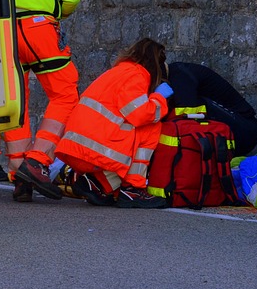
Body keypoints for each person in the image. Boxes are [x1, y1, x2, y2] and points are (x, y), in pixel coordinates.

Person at [1, 0, 82, 202]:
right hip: (39, 29)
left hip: (4, 31)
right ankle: (37, 160)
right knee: (64, 94)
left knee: (15, 100)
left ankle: (18, 170)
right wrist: (57, 12)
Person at [55, 38, 172, 209]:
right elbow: (140, 114)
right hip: (92, 153)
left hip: (76, 150)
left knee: (135, 128)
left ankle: (99, 184)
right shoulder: (137, 75)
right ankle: (132, 189)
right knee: (152, 125)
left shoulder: (118, 71)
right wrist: (159, 97)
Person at [166, 61, 257, 157]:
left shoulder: (180, 76)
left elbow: (186, 121)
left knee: (190, 110)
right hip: (235, 128)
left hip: (245, 130)